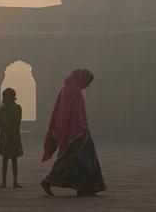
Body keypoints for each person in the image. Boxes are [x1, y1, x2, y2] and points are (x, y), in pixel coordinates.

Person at [40, 69, 106, 197]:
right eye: (88, 82)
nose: (88, 85)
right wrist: (80, 129)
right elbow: (75, 113)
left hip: (73, 131)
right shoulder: (74, 91)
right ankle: (82, 187)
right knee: (84, 160)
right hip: (78, 131)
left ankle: (83, 187)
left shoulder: (67, 89)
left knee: (73, 160)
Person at [0, 88, 24, 188]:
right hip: (6, 135)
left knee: (14, 159)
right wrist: (3, 131)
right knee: (5, 159)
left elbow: (18, 122)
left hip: (12, 135)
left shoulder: (17, 108)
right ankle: (4, 182)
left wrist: (8, 133)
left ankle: (15, 182)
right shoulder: (2, 109)